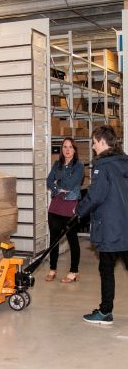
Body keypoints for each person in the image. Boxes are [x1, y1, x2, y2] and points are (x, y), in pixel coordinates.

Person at [75, 125, 128, 325]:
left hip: (110, 229)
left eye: (95, 143)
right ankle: (105, 310)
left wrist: (78, 210)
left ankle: (105, 312)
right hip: (126, 226)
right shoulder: (125, 162)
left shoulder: (102, 165)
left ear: (103, 142)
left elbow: (95, 196)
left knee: (106, 270)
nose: (93, 146)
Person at [45, 137, 84, 283]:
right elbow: (49, 181)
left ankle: (73, 272)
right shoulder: (57, 164)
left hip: (70, 206)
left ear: (74, 149)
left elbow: (71, 183)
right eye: (64, 147)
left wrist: (58, 182)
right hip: (55, 205)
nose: (67, 150)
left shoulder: (79, 166)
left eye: (70, 147)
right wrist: (58, 186)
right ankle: (52, 269)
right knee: (53, 240)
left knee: (72, 240)